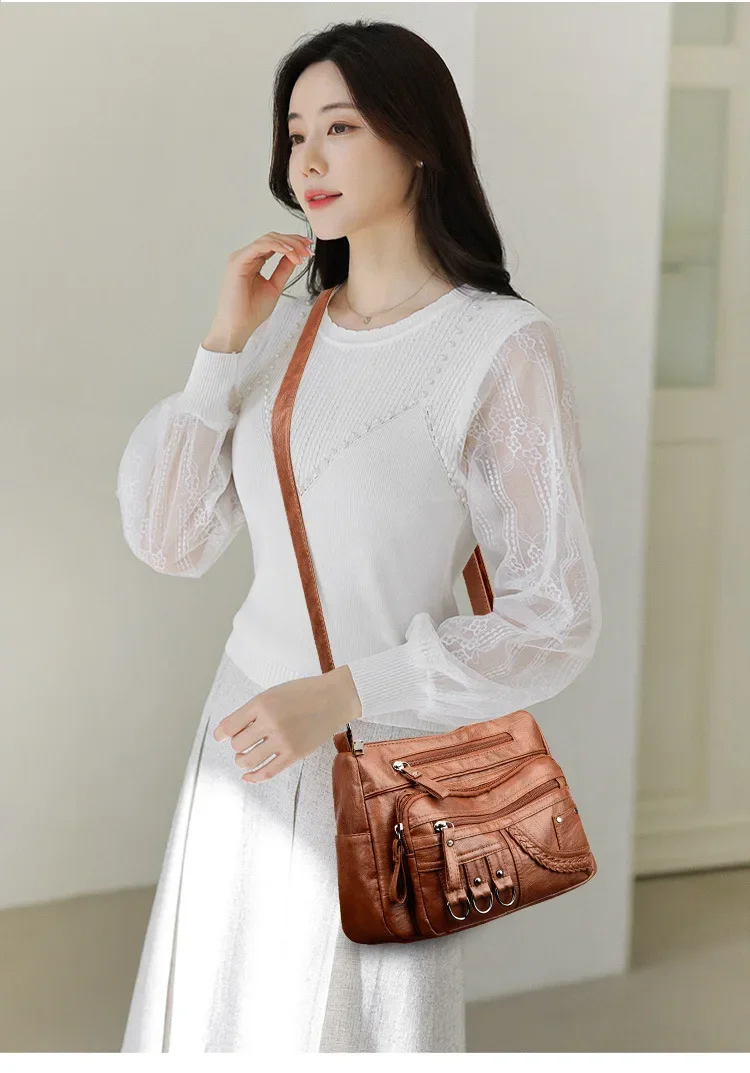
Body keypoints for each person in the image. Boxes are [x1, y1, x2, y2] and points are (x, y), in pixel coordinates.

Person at [115, 18, 602, 1054]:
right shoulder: (288, 329)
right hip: (241, 741)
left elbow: (553, 615)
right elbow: (170, 539)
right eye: (296, 134)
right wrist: (222, 342)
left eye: (340, 127)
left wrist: (343, 694)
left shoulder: (498, 346)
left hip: (378, 758)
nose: (309, 160)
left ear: (417, 139)